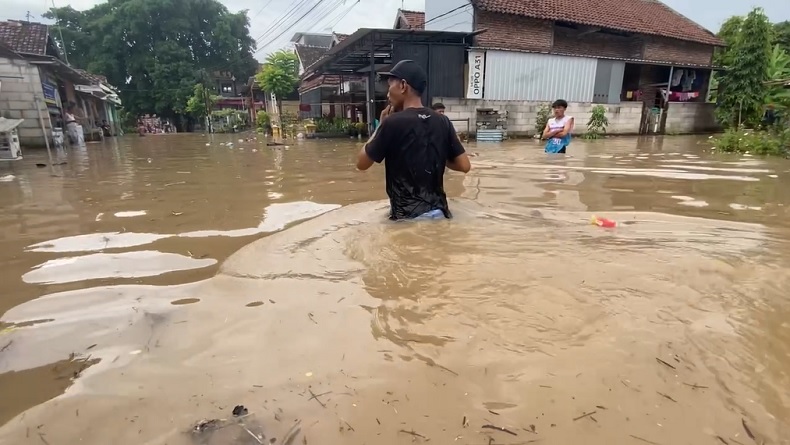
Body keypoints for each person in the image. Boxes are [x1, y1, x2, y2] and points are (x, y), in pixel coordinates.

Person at [356, 60, 471, 220]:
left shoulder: (392, 122)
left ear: (403, 85)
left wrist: (380, 126)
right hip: (441, 214)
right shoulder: (443, 121)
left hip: (407, 218)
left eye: (390, 86)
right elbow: (464, 165)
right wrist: (433, 154)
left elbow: (362, 163)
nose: (388, 94)